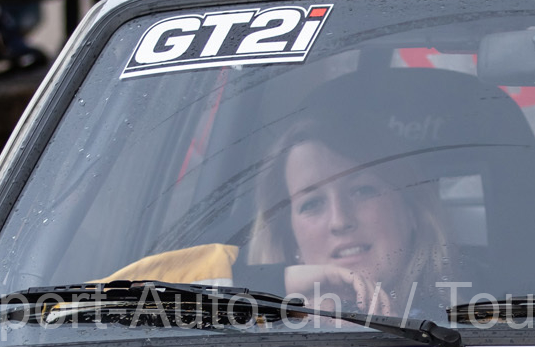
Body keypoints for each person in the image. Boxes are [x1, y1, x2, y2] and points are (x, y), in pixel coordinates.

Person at [105, 99, 455, 317]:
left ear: (412, 210)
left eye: (362, 191)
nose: (339, 220)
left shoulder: (472, 317)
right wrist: (274, 283)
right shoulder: (239, 328)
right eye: (312, 204)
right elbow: (92, 306)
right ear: (289, 238)